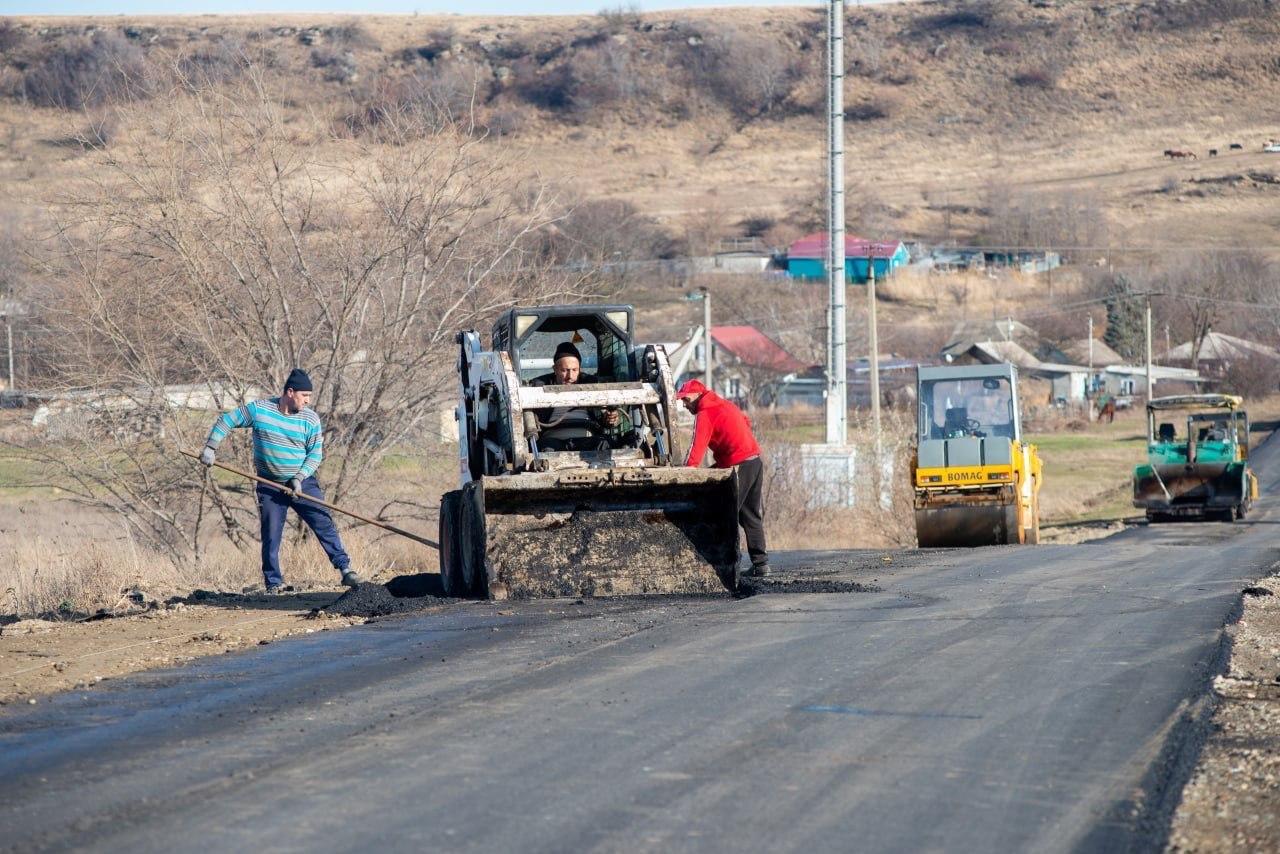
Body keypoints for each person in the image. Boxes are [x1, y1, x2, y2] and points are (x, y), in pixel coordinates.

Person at [199, 369, 362, 594]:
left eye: (309, 397)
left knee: (323, 522)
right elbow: (227, 420)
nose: (307, 401)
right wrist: (211, 446)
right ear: (290, 392)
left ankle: (346, 570)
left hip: (303, 481)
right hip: (270, 484)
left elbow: (315, 454)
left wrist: (299, 477)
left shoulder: (310, 419)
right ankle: (274, 583)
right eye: (304, 395)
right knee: (271, 532)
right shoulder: (260, 411)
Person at [676, 378, 770, 578]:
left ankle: (723, 568)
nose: (684, 404)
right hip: (753, 461)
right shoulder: (726, 404)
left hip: (738, 465)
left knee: (724, 514)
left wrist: (685, 473)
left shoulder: (705, 413)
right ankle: (761, 565)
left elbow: (696, 447)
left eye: (685, 399)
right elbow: (746, 422)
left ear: (698, 395)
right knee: (750, 515)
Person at [530, 341, 635, 451]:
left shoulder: (591, 385)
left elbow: (603, 417)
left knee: (604, 444)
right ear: (555, 369)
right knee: (544, 452)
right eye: (564, 370)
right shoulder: (539, 387)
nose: (570, 376)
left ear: (579, 369)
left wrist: (609, 419)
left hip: (588, 440)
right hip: (553, 442)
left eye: (574, 370)